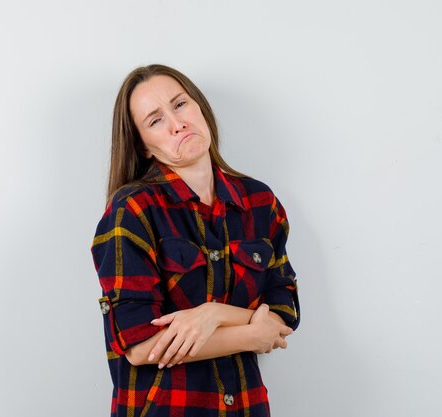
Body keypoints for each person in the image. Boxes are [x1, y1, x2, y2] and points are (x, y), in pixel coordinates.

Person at [91, 64, 300, 417]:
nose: (177, 123)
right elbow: (140, 345)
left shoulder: (260, 202)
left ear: (200, 107)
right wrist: (252, 333)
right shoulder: (133, 210)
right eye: (155, 121)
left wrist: (211, 315)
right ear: (143, 147)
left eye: (180, 104)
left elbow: (284, 312)